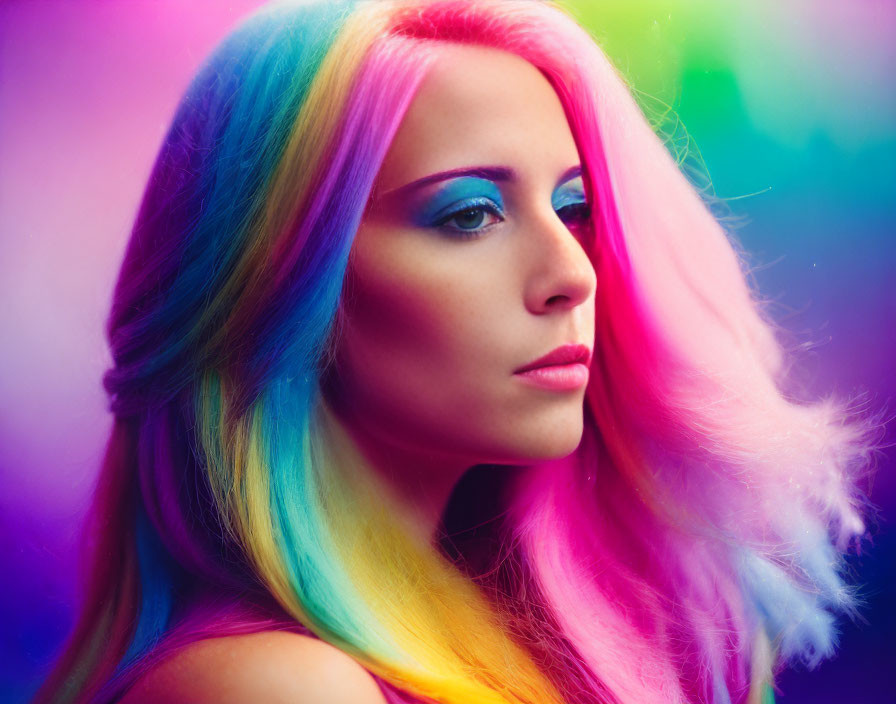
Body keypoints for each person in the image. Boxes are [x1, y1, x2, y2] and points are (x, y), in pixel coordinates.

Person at [35, 1, 880, 702]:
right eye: (469, 214)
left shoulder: (507, 639)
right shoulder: (274, 684)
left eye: (575, 205)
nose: (573, 273)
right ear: (276, 281)